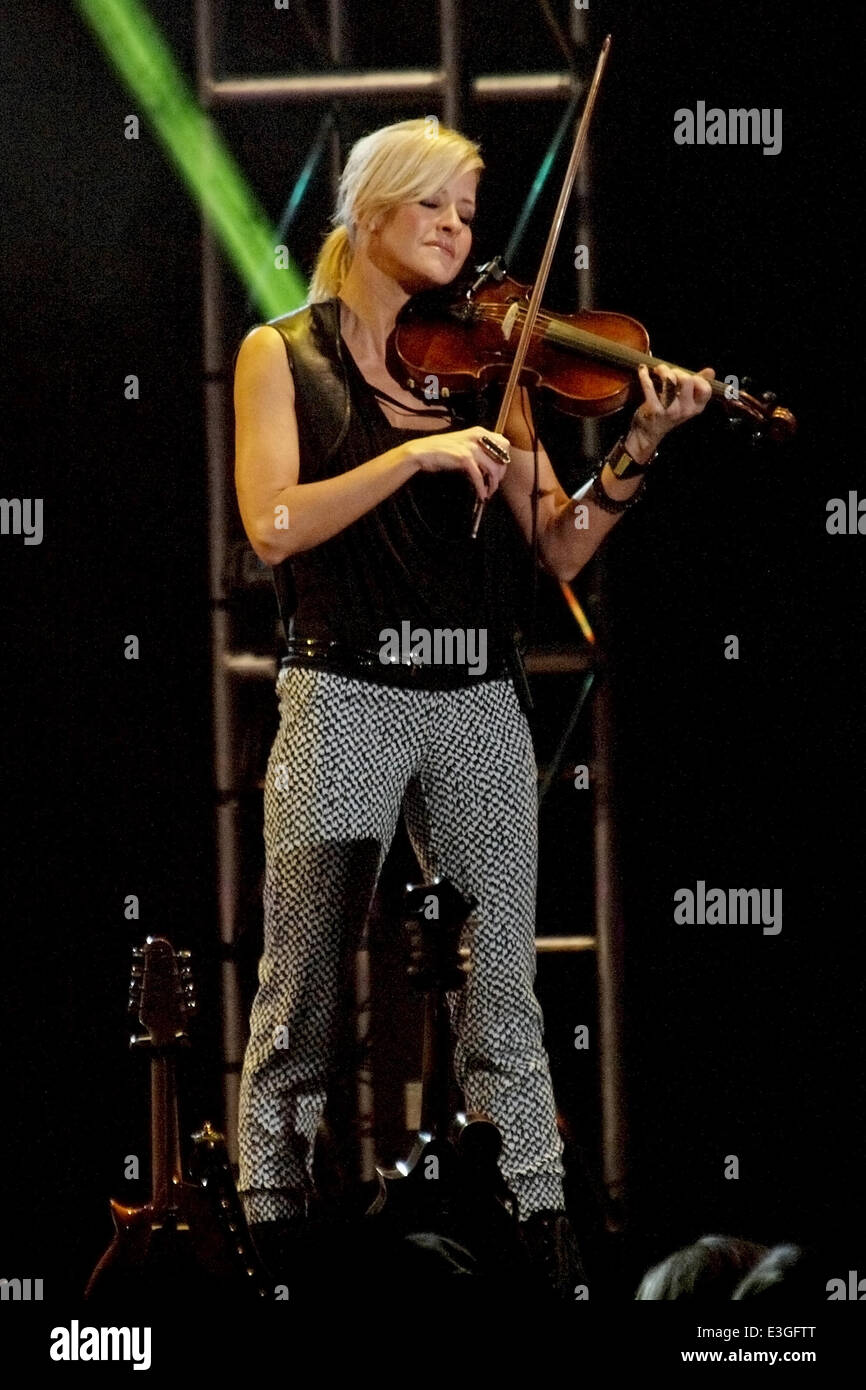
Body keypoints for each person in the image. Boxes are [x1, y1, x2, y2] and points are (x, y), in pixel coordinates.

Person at [232, 117, 713, 1296]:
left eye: (468, 212)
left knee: (503, 990)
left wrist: (636, 449)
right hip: (342, 685)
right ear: (373, 213)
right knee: (300, 987)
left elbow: (559, 544)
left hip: (473, 699)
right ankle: (273, 1234)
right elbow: (270, 525)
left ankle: (540, 1238)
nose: (459, 231)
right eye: (436, 207)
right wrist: (413, 458)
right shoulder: (280, 354)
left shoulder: (494, 371)